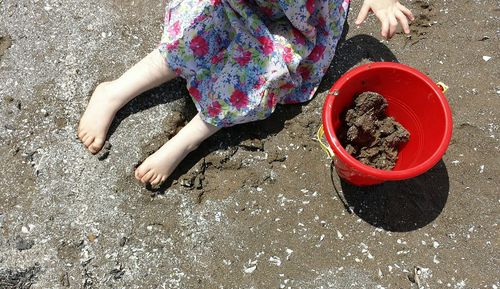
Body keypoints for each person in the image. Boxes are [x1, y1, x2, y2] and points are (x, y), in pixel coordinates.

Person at [78, 0, 414, 186]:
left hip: (293, 23)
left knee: (255, 78)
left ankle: (188, 138)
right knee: (190, 42)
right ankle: (114, 92)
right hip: (233, 5)